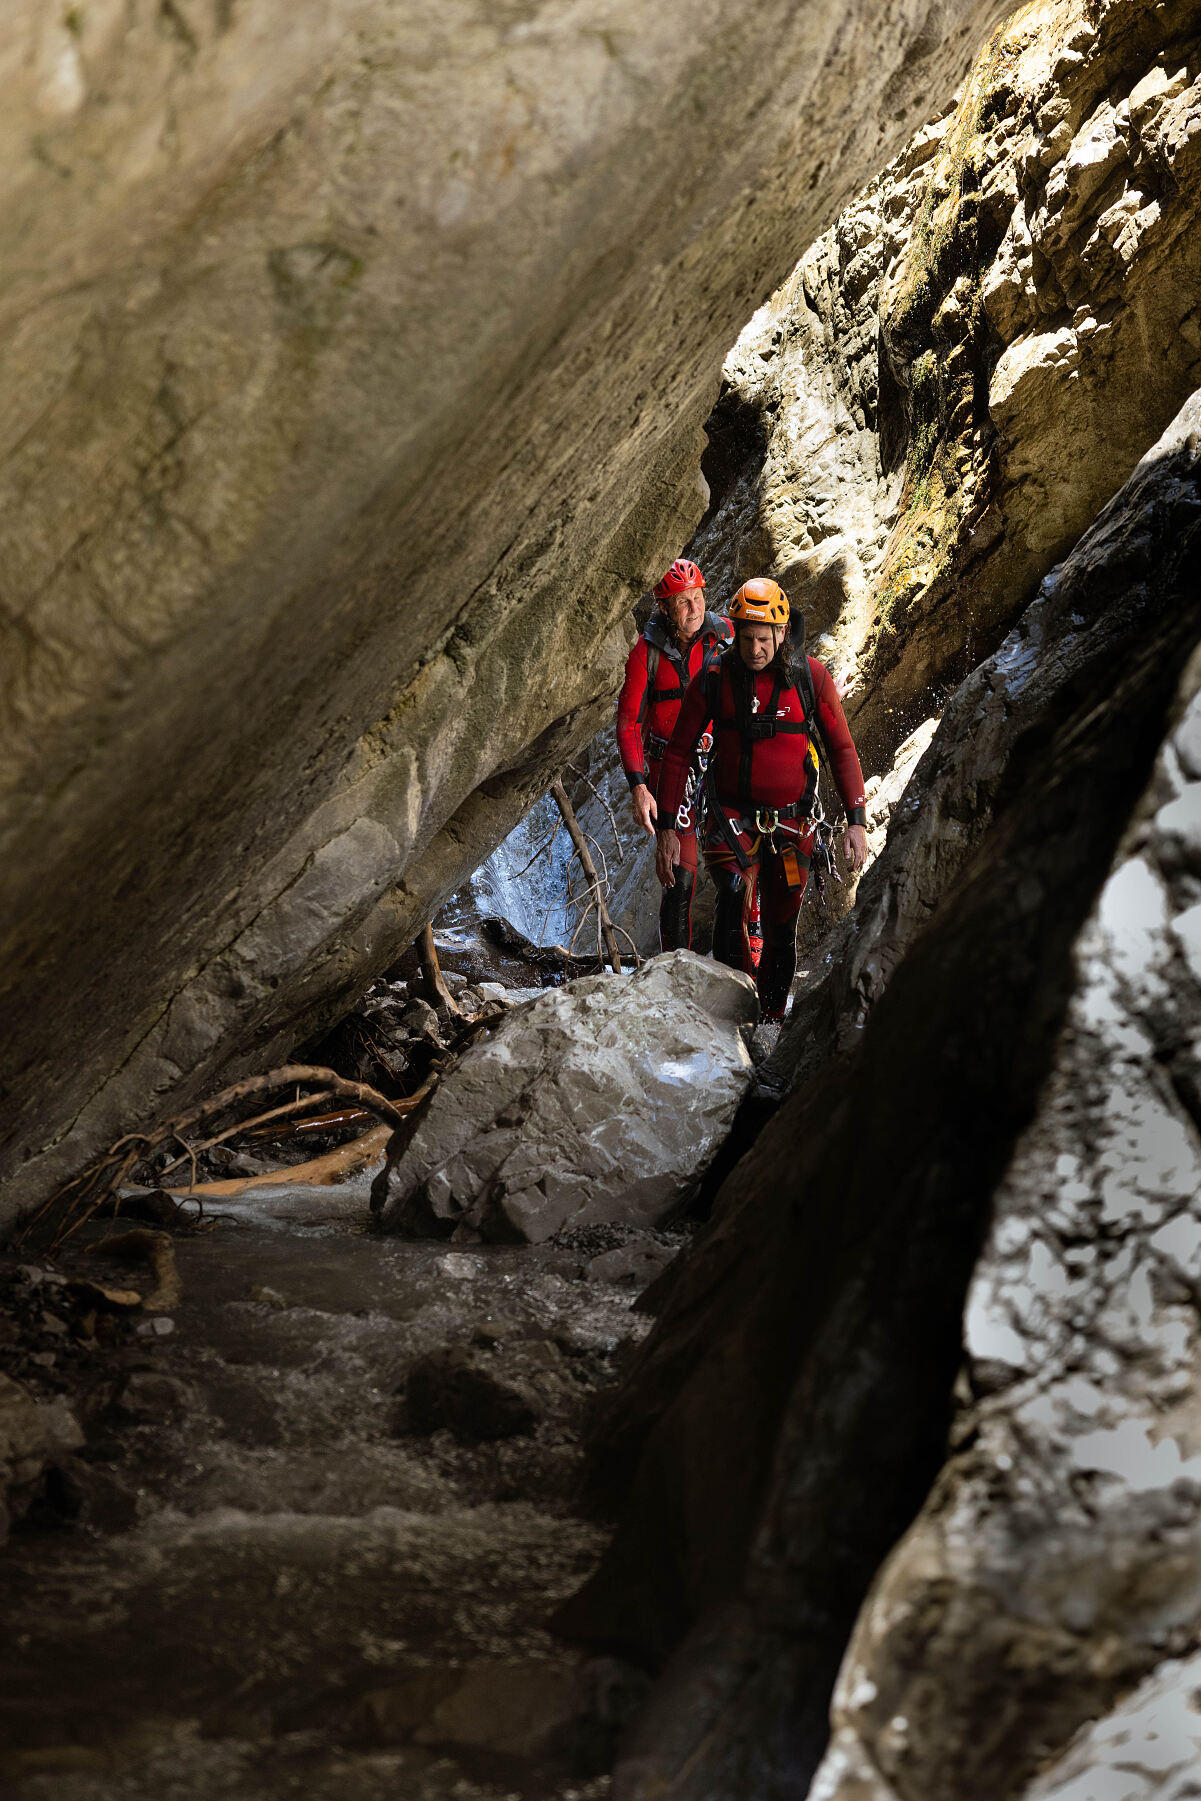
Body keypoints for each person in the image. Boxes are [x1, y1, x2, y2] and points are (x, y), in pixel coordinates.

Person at [655, 577, 868, 1021]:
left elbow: (842, 749)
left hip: (794, 824)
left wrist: (856, 821)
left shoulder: (810, 678)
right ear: (735, 632)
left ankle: (768, 1023)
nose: (754, 649)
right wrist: (668, 829)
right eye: (747, 638)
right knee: (731, 896)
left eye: (764, 639)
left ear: (782, 632)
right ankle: (734, 1013)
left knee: (780, 927)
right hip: (730, 817)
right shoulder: (713, 678)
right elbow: (677, 754)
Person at [615, 558, 732, 950]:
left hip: (720, 766)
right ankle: (673, 972)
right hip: (672, 774)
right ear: (664, 608)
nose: (695, 609)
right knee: (680, 879)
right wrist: (638, 786)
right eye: (683, 602)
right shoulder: (644, 654)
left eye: (698, 598)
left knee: (739, 869)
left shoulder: (725, 637)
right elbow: (629, 723)